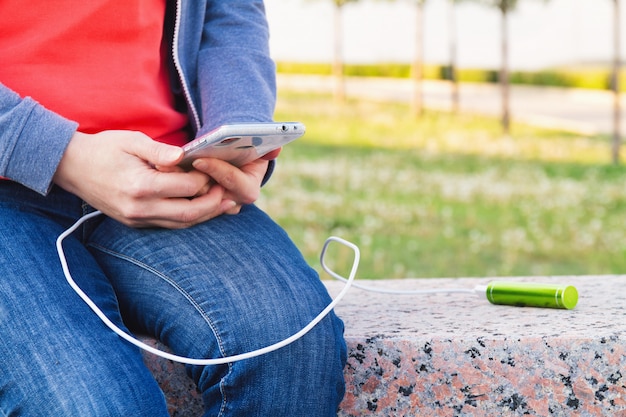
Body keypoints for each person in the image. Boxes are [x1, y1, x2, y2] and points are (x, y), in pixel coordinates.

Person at [0, 1, 347, 416]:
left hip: (167, 165)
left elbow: (228, 11)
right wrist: (58, 152)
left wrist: (236, 129)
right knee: (94, 406)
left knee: (290, 345)